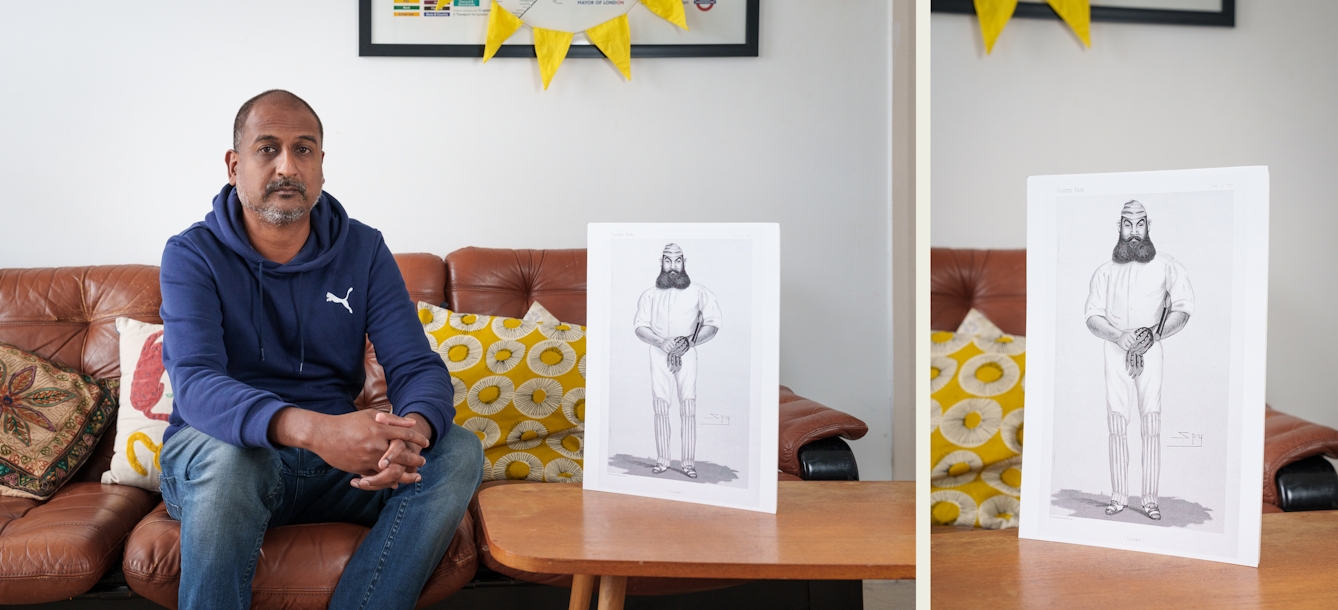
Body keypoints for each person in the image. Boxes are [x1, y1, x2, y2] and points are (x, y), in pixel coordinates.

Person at [158, 90, 482, 610]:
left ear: (322, 166)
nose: (287, 165)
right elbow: (196, 385)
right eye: (268, 149)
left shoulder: (364, 248)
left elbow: (415, 364)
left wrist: (415, 429)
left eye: (303, 149)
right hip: (225, 457)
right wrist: (318, 430)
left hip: (333, 468)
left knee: (459, 450)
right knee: (231, 462)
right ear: (234, 165)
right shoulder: (192, 253)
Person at [1084, 200, 1193, 521]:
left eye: (1140, 224)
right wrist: (1119, 336)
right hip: (1114, 351)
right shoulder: (1104, 272)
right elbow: (1092, 317)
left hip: (1152, 352)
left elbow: (1183, 308)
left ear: (1148, 226)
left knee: (1151, 424)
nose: (1134, 231)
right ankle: (1118, 496)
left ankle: (1149, 498)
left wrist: (1154, 336)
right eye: (1127, 224)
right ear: (1119, 227)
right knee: (1117, 423)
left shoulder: (1168, 266)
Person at [633, 243, 721, 478]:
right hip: (659, 353)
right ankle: (662, 460)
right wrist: (661, 342)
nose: (673, 266)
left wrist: (690, 342)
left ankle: (688, 463)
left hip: (687, 354)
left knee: (688, 407)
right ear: (661, 262)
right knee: (661, 406)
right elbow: (640, 327)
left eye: (677, 261)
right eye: (668, 261)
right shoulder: (649, 295)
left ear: (684, 262)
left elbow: (712, 324)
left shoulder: (700, 292)